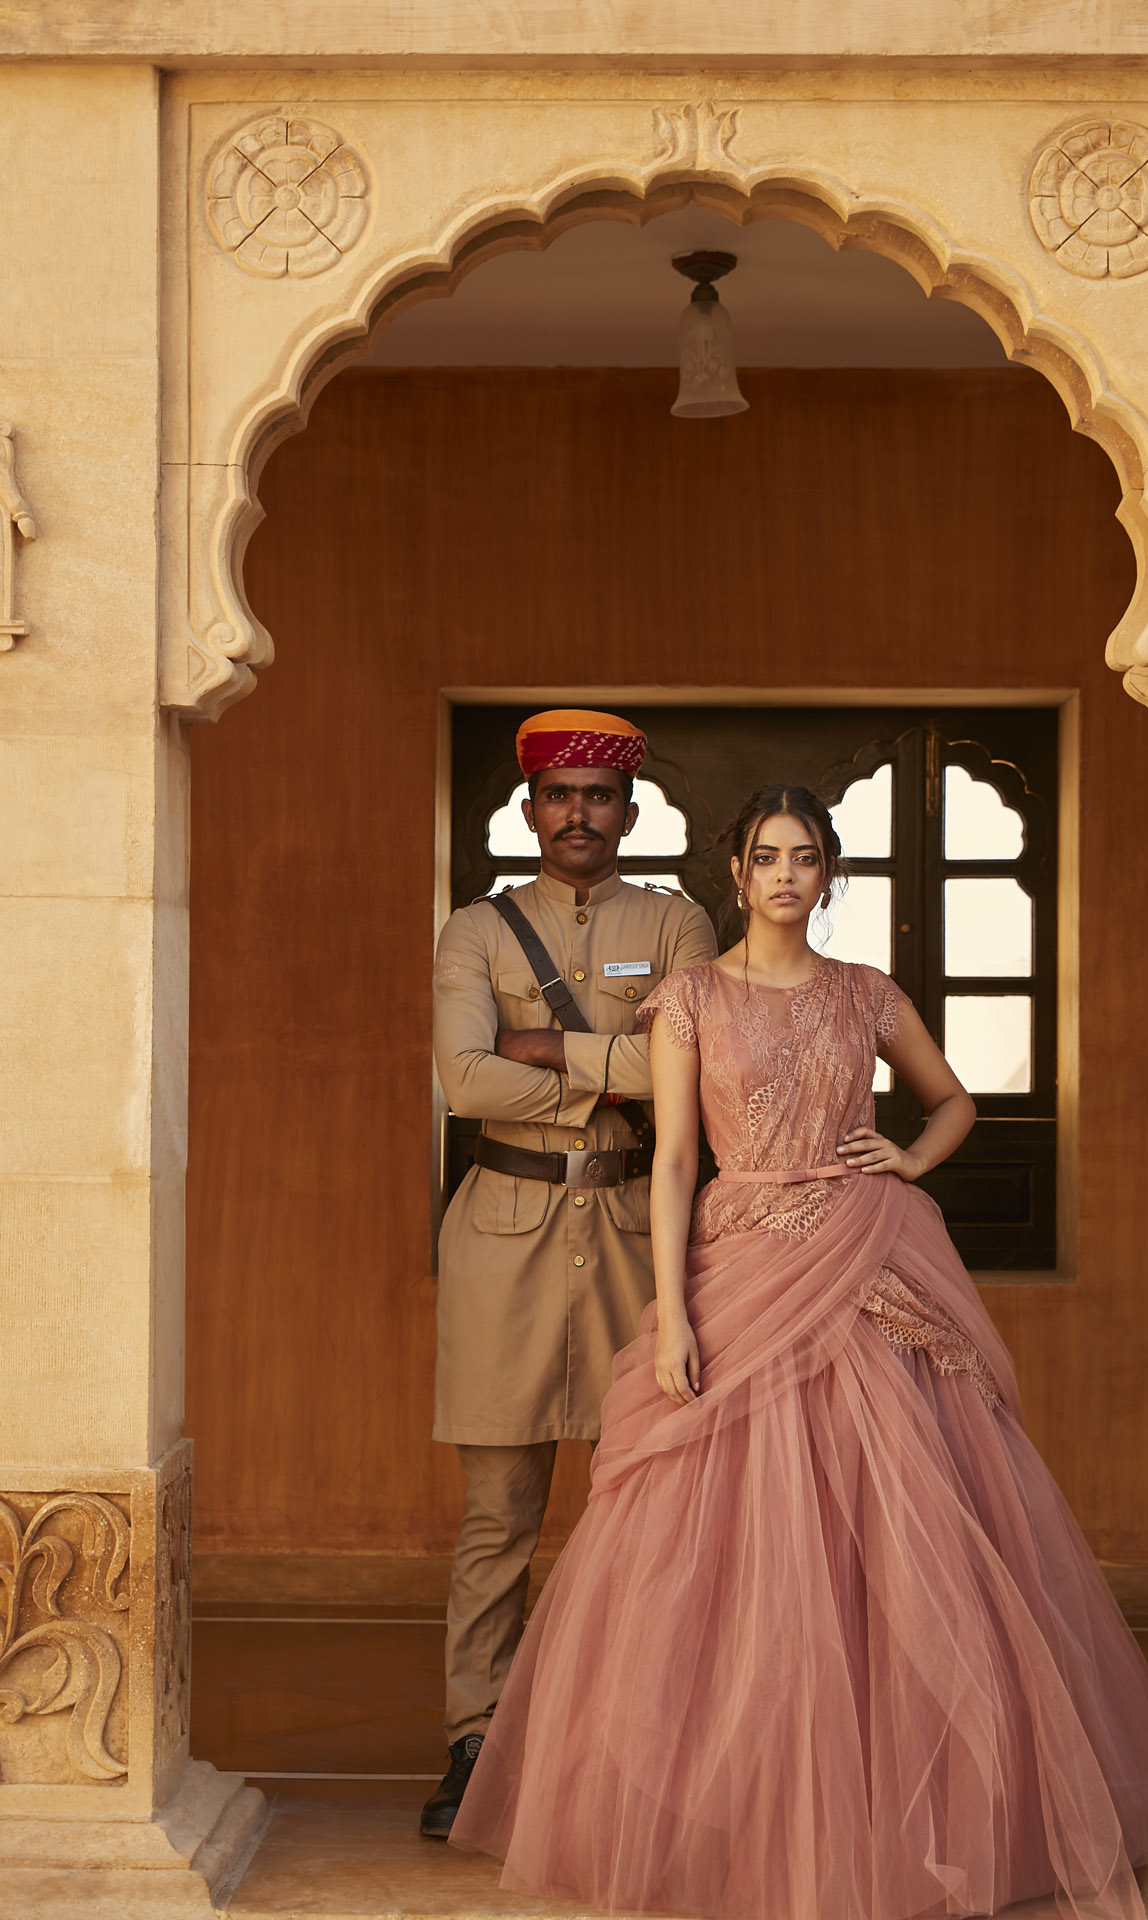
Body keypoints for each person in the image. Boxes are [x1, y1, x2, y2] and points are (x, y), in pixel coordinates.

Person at [449, 783, 1148, 1919]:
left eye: (803, 857)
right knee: (727, 1537)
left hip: (863, 1259)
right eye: (764, 858)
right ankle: (739, 1805)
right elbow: (678, 1161)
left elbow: (950, 1104)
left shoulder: (866, 994)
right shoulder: (691, 998)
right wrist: (676, 1316)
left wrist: (905, 1161)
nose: (784, 875)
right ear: (734, 877)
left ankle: (892, 1791)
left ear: (828, 875)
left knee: (896, 1517)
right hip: (734, 1269)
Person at [422, 708, 717, 1839]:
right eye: (558, 795)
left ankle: (629, 1741)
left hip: (638, 1239)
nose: (577, 814)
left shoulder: (679, 921)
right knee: (497, 1513)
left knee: (638, 1505)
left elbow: (692, 1061)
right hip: (501, 1232)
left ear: (628, 812)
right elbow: (463, 1081)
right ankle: (474, 1739)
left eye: (598, 795)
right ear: (527, 809)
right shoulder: (474, 931)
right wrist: (610, 1074)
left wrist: (547, 1050)